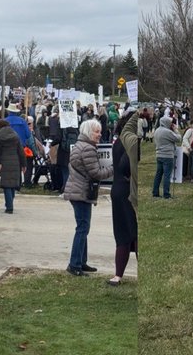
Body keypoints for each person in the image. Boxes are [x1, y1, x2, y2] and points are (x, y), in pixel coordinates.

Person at [64, 117, 109, 276]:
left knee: (83, 228)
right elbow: (96, 173)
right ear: (89, 133)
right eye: (97, 132)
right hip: (81, 192)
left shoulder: (79, 145)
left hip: (76, 190)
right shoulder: (88, 148)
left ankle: (81, 262)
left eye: (100, 132)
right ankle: (75, 264)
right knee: (82, 229)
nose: (99, 135)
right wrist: (113, 169)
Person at [111, 110, 140, 284]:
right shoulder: (130, 142)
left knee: (121, 234)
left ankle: (118, 275)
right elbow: (125, 165)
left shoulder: (118, 141)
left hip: (117, 189)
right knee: (135, 233)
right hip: (128, 190)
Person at [0, 117, 22, 213]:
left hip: (4, 162)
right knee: (12, 184)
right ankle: (10, 203)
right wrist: (24, 163)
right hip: (15, 161)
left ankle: (9, 207)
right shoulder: (15, 135)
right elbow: (20, 151)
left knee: (7, 186)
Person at [151, 114, 179, 198]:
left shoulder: (157, 130)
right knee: (167, 175)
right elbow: (178, 138)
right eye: (170, 123)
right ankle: (166, 194)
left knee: (158, 174)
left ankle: (155, 192)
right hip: (167, 155)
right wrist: (176, 130)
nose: (171, 124)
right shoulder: (168, 132)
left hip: (159, 154)